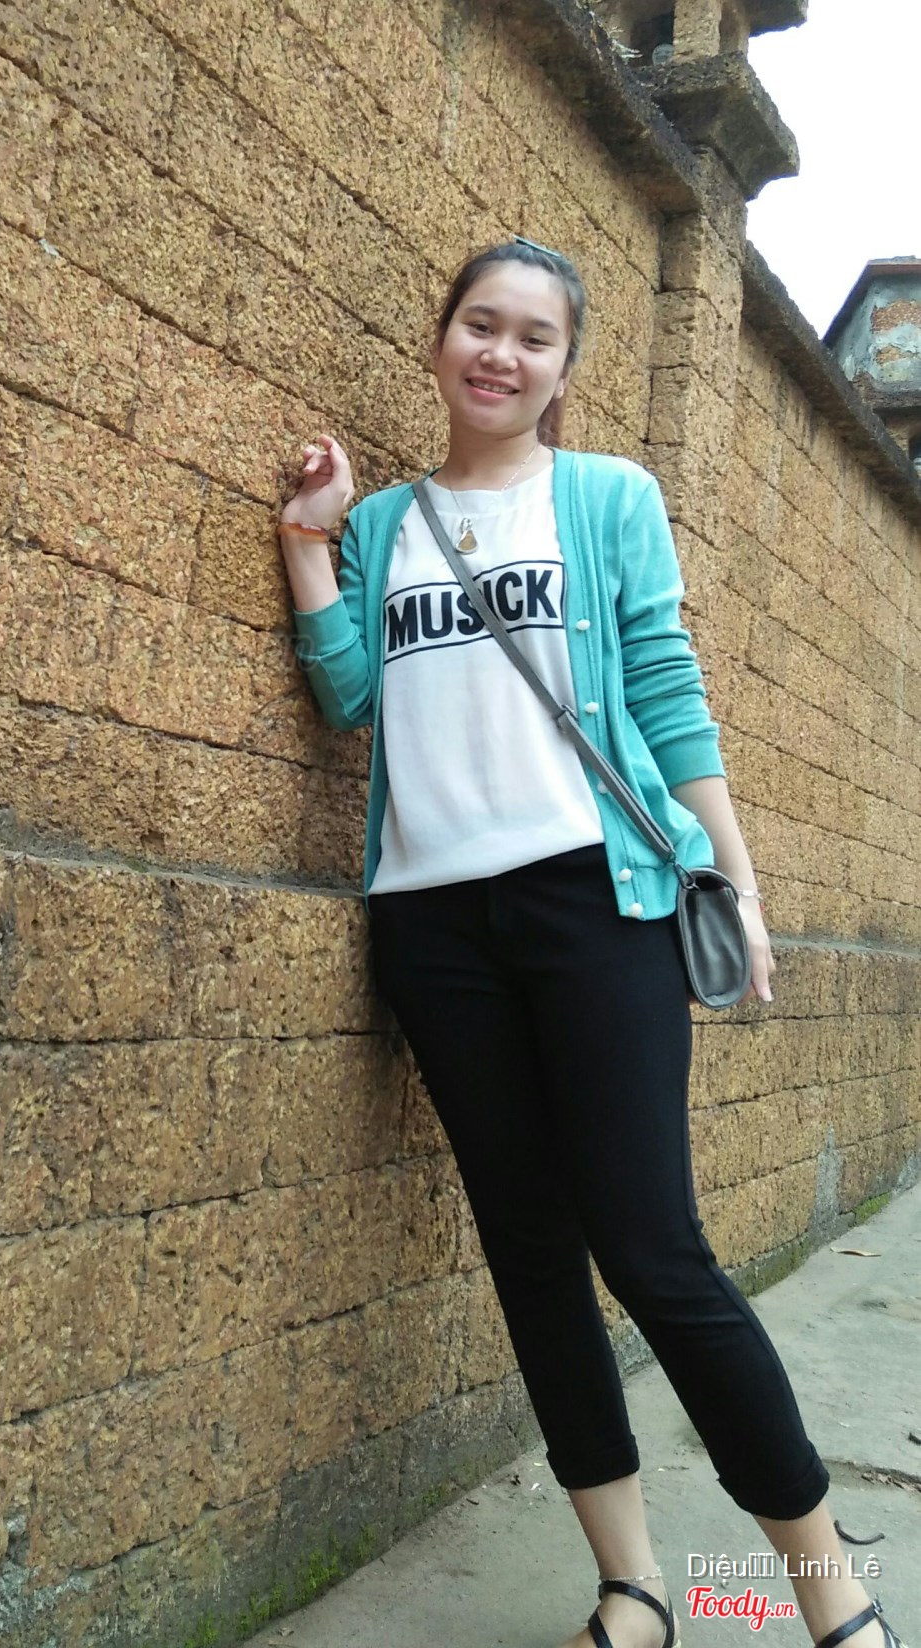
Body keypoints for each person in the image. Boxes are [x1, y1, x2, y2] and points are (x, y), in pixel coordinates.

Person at [278, 240, 906, 1648]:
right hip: (433, 922)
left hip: (597, 903)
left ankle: (828, 1597)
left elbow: (669, 690)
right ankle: (633, 1588)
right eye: (479, 325)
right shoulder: (386, 527)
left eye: (534, 337)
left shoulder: (610, 497)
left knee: (654, 1249)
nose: (500, 354)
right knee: (529, 1248)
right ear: (440, 339)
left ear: (565, 366)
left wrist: (735, 881)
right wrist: (313, 544)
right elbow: (348, 698)